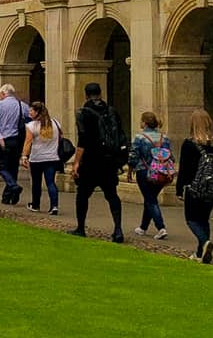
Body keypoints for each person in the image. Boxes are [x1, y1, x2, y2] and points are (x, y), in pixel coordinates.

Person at [69, 81, 125, 242]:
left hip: (90, 160)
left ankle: (80, 227)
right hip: (109, 160)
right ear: (100, 93)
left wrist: (76, 163)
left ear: (86, 95)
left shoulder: (83, 113)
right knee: (112, 195)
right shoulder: (111, 111)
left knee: (82, 195)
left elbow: (83, 140)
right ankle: (118, 229)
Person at [175, 109, 213, 264]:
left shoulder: (190, 144)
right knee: (204, 219)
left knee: (191, 219)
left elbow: (184, 169)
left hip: (195, 186)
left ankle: (204, 242)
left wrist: (179, 188)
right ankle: (200, 253)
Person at [128, 111, 169, 239]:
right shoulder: (164, 137)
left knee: (150, 199)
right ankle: (143, 227)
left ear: (144, 123)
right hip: (161, 172)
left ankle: (161, 227)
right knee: (150, 198)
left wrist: (130, 169)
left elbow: (133, 156)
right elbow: (169, 155)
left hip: (144, 171)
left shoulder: (140, 138)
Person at [0, 84, 28, 205]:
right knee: (13, 168)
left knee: (3, 168)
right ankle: (8, 197)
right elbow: (29, 120)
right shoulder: (22, 105)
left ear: (3, 93)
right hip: (17, 140)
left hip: (3, 140)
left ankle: (13, 186)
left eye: (0, 94)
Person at [23, 100, 61, 214]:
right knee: (51, 182)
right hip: (52, 157)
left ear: (37, 112)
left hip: (37, 158)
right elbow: (60, 137)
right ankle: (54, 206)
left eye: (31, 110)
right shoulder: (55, 123)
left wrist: (24, 156)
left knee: (36, 182)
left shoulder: (31, 126)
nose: (29, 112)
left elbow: (28, 142)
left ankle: (35, 204)